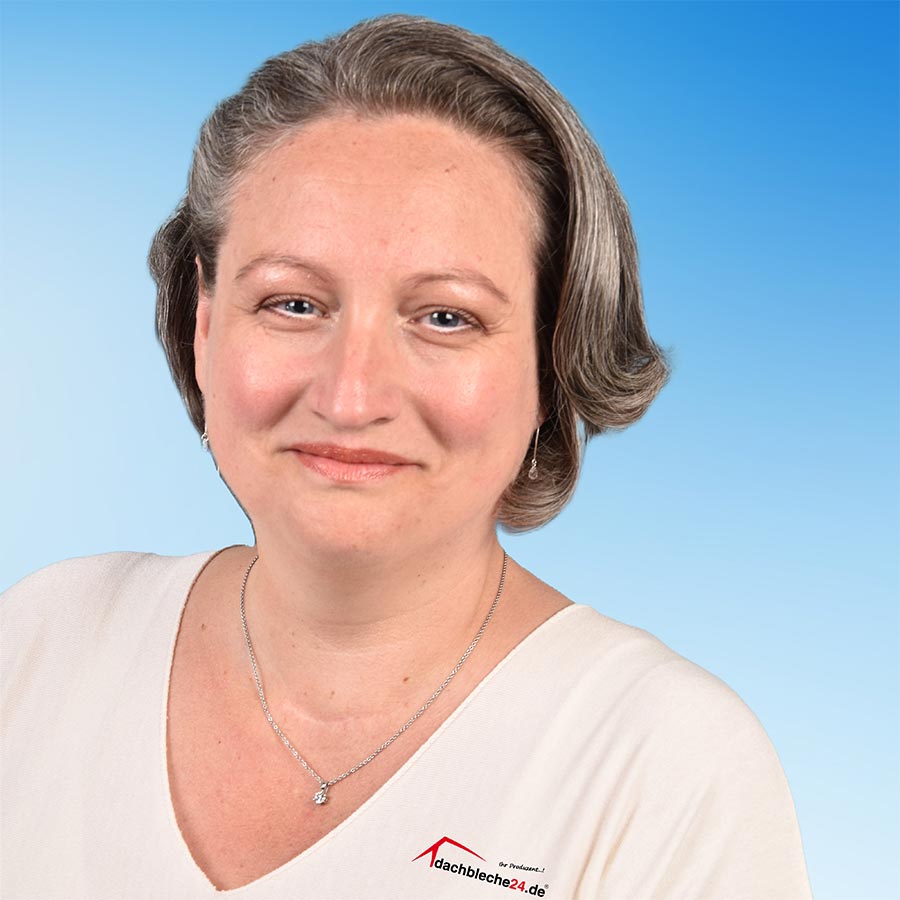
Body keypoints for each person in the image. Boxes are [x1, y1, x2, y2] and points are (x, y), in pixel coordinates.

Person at [1, 14, 812, 899]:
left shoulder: (666, 767)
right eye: (293, 304)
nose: (352, 397)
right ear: (203, 326)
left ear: (553, 359)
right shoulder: (44, 640)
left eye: (446, 317)